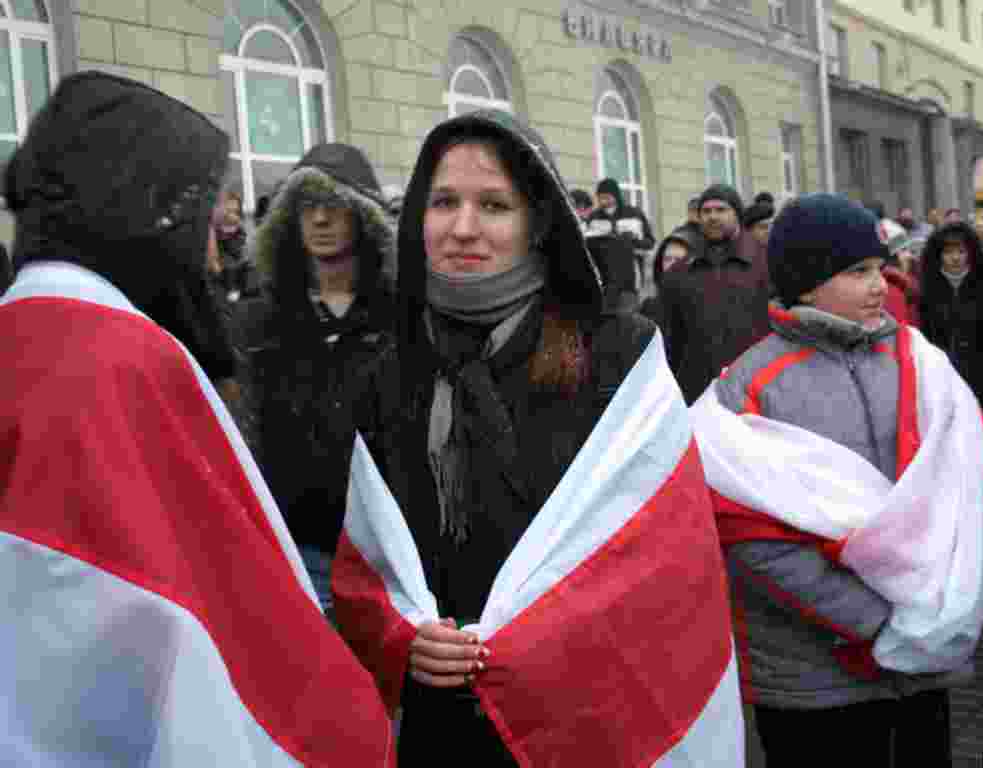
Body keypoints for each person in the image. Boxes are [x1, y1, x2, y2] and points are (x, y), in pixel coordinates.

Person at [0, 70, 393, 765]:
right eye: (199, 225)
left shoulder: (26, 335)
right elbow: (233, 644)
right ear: (141, 212)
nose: (214, 253)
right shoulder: (125, 363)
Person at [331, 109, 742, 766]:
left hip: (588, 717)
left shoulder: (619, 355)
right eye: (443, 202)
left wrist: (538, 640)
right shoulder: (390, 368)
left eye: (494, 205)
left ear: (538, 222)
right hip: (442, 720)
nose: (463, 227)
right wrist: (403, 635)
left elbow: (667, 556)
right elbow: (364, 559)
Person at [692, 193, 983, 768]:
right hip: (814, 678)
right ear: (807, 284)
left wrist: (937, 613)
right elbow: (747, 534)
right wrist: (880, 622)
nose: (878, 286)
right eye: (857, 271)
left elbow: (971, 482)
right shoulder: (750, 389)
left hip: (919, 668)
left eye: (880, 269)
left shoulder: (918, 361)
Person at [240, 141, 396, 615]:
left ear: (363, 216)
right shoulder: (261, 323)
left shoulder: (400, 319)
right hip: (293, 555)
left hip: (384, 561)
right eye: (307, 206)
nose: (321, 220)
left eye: (334, 205)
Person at [660, 182, 773, 403]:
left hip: (757, 389)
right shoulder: (679, 273)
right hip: (698, 393)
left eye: (721, 210)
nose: (713, 217)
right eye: (706, 211)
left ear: (737, 215)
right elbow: (671, 339)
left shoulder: (767, 263)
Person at [918, 222, 983, 403]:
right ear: (939, 255)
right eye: (948, 252)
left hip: (981, 377)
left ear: (970, 254)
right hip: (941, 375)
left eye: (961, 252)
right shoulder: (928, 290)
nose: (955, 258)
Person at [638, 224, 704, 339]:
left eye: (679, 260)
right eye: (667, 259)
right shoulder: (650, 308)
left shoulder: (705, 306)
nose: (672, 265)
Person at [588, 176, 655, 288]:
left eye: (607, 197)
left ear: (615, 196)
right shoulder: (593, 217)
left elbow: (650, 243)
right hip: (603, 280)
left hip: (630, 279)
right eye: (600, 198)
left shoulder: (635, 214)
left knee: (628, 304)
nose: (603, 201)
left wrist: (633, 241)